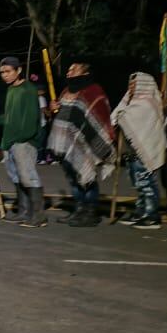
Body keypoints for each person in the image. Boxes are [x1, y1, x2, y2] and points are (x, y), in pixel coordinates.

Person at [47, 62, 115, 227]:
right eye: (68, 69)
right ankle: (79, 209)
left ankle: (91, 212)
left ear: (85, 73)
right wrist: (52, 108)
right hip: (67, 145)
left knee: (87, 178)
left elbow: (100, 116)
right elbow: (61, 114)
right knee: (73, 179)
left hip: (86, 144)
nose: (69, 72)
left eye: (74, 69)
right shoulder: (66, 91)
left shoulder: (94, 91)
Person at [0, 57, 47, 227]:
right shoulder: (11, 89)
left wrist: (21, 138)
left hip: (24, 141)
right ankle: (24, 211)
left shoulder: (28, 89)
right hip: (10, 140)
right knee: (16, 176)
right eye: (2, 72)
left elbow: (31, 119)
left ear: (18, 70)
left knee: (28, 176)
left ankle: (38, 215)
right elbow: (10, 116)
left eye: (8, 71)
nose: (4, 75)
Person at [112, 72, 163, 229]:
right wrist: (120, 115)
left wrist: (121, 116)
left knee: (146, 183)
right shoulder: (129, 101)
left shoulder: (147, 102)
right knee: (139, 184)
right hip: (133, 151)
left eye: (135, 84)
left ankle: (152, 216)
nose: (131, 87)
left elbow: (128, 117)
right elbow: (118, 114)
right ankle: (141, 211)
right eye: (131, 84)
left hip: (145, 150)